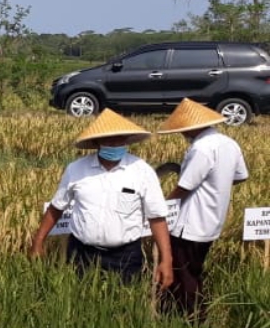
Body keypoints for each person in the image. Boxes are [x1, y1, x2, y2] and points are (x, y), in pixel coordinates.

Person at [29, 109, 174, 289]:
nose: (114, 143)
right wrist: (38, 242)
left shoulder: (142, 171)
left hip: (125, 257)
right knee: (80, 303)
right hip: (82, 254)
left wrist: (166, 260)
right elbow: (56, 207)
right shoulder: (76, 169)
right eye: (108, 139)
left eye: (119, 138)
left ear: (127, 140)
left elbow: (157, 217)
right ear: (97, 142)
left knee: (124, 309)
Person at [156, 98, 248, 320]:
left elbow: (184, 187)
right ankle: (177, 314)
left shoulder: (201, 148)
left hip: (191, 222)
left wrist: (162, 207)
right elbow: (241, 176)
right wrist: (218, 185)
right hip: (213, 219)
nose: (183, 134)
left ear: (194, 126)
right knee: (194, 269)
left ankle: (193, 318)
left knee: (183, 273)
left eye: (184, 130)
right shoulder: (229, 143)